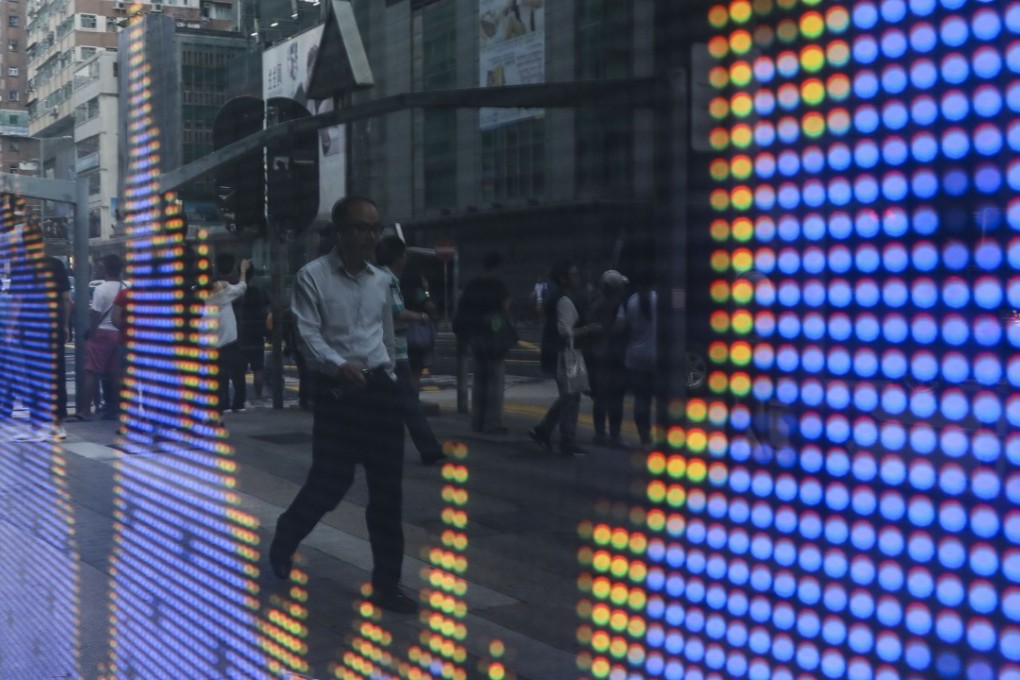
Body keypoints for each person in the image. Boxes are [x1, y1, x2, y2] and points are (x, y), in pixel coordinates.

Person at [270, 196, 417, 614]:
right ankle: (287, 534)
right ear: (340, 231)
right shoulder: (312, 277)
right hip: (339, 397)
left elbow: (385, 334)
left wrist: (388, 373)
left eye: (375, 227)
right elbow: (308, 336)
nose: (370, 235)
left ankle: (387, 585)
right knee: (329, 485)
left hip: (380, 394)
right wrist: (338, 366)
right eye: (361, 227)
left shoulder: (381, 280)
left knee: (388, 496)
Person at [376, 235, 445, 465]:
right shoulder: (389, 279)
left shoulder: (379, 276)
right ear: (398, 257)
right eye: (403, 254)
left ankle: (365, 446)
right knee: (409, 403)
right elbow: (398, 312)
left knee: (387, 403)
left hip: (385, 349)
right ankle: (429, 448)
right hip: (395, 350)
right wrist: (422, 316)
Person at [3, 222, 71, 441]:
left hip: (28, 330)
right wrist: (65, 325)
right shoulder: (57, 265)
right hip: (51, 327)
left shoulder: (21, 266)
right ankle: (58, 424)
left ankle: (37, 424)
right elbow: (66, 300)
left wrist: (10, 332)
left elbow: (18, 302)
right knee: (56, 374)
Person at [529, 259, 600, 456]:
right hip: (568, 354)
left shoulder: (557, 297)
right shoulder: (564, 300)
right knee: (571, 399)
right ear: (563, 279)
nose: (578, 278)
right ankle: (567, 442)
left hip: (560, 353)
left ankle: (543, 430)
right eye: (574, 275)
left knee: (568, 397)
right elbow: (565, 331)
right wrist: (588, 329)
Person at [456, 251, 514, 434]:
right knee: (495, 380)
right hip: (493, 336)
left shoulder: (472, 284)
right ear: (498, 266)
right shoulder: (498, 285)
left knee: (479, 381)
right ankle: (492, 423)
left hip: (476, 337)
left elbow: (463, 308)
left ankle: (477, 422)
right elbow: (505, 308)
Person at [80, 254, 126, 420]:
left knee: (91, 371)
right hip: (120, 333)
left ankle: (85, 410)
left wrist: (92, 334)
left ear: (105, 269)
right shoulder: (127, 286)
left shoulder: (101, 289)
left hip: (103, 332)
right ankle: (117, 408)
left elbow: (95, 314)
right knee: (116, 374)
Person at [205, 254, 250, 416]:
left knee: (219, 378)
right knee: (238, 374)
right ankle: (238, 403)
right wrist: (243, 271)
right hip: (231, 341)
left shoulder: (199, 300)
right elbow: (242, 287)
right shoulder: (224, 290)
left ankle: (222, 405)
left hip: (211, 346)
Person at [617, 272, 658, 447]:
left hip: (634, 357)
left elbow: (622, 328)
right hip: (656, 356)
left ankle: (644, 435)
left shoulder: (630, 301)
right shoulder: (658, 299)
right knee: (658, 397)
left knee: (641, 399)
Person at [589, 270, 629, 448]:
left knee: (600, 397)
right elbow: (619, 328)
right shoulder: (619, 305)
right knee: (616, 398)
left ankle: (599, 433)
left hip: (598, 355)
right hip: (615, 355)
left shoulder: (595, 305)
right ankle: (614, 435)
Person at [400, 263, 437, 392]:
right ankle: (413, 399)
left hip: (403, 335)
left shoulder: (399, 289)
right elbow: (431, 308)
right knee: (415, 373)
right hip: (417, 336)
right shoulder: (419, 292)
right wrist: (426, 291)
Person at [237, 266, 269, 407]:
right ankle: (258, 396)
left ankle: (241, 398)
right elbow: (266, 308)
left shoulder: (237, 291)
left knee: (239, 369)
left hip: (241, 332)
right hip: (256, 333)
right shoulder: (258, 291)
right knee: (258, 368)